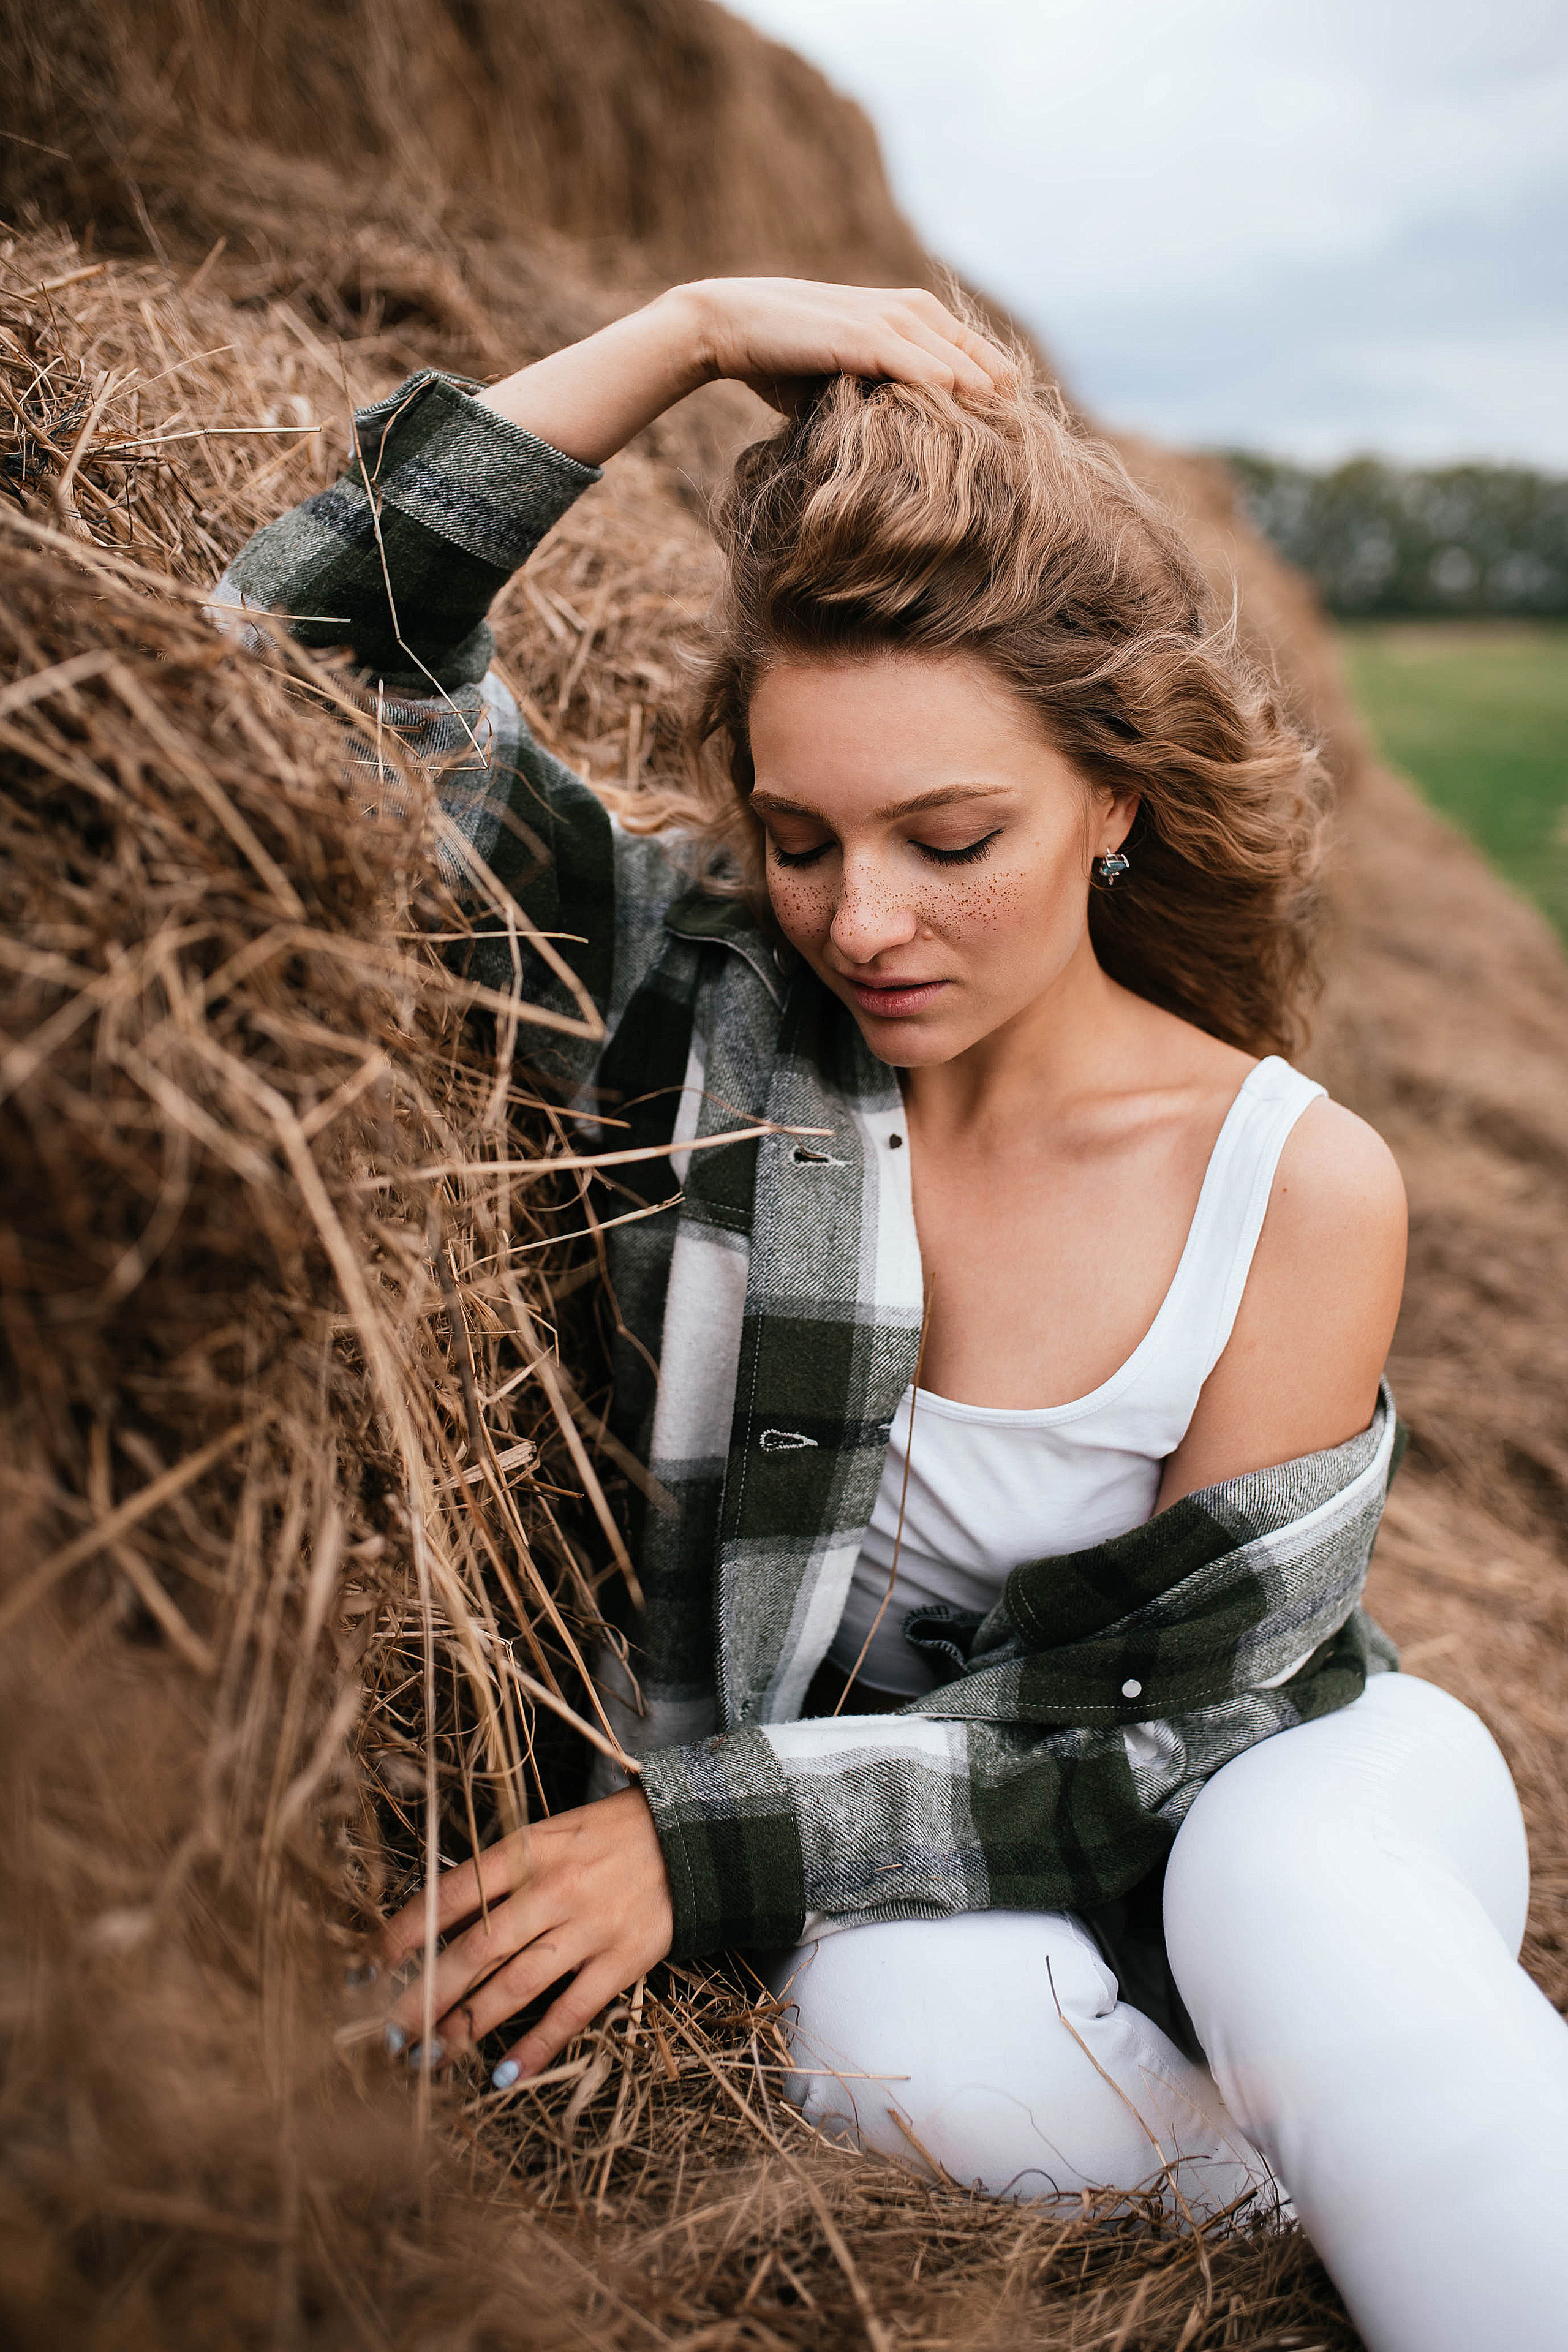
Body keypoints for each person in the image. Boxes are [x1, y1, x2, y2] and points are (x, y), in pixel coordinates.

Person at [217, 281, 1568, 2352]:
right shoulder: (700, 1010)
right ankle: (1361, 2165)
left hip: (1279, 1784)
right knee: (879, 2028)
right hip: (950, 1874)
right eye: (800, 838)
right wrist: (684, 330)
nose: (864, 921)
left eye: (955, 840)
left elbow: (1169, 1730)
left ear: (1114, 802)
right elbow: (299, 661)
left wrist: (702, 1836)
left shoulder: (1290, 1181)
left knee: (1273, 1898)